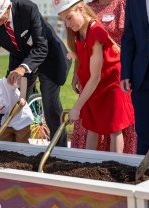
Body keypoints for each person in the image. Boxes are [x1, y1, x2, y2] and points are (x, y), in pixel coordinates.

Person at [0, 0, 71, 147]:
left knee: (50, 104)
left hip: (48, 57)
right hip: (19, 56)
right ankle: (13, 147)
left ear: (8, 7)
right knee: (12, 102)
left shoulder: (27, 8)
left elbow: (41, 47)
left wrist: (23, 68)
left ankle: (60, 150)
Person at [53, 0, 135, 153]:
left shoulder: (96, 32)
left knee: (114, 128)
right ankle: (88, 164)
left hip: (111, 85)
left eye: (69, 18)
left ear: (80, 9)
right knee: (92, 126)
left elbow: (96, 76)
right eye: (64, 20)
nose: (67, 24)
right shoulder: (78, 31)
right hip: (92, 86)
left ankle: (115, 165)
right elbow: (84, 56)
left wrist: (77, 107)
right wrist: (77, 71)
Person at [121, 0, 149, 155]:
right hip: (141, 76)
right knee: (143, 131)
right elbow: (128, 37)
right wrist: (125, 73)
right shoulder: (133, 2)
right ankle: (143, 175)